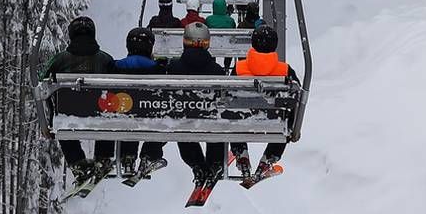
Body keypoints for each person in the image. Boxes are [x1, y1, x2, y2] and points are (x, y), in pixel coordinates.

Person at [40, 15, 116, 182]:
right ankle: (103, 157)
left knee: (62, 119)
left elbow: (42, 80)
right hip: (100, 116)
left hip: (68, 117)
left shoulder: (60, 59)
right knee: (110, 116)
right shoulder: (105, 59)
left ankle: (78, 162)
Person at [166, 23, 230, 191]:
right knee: (217, 123)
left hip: (183, 119)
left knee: (181, 125)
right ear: (207, 43)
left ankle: (196, 164)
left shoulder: (174, 68)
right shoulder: (216, 71)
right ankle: (215, 162)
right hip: (211, 121)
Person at [232, 24, 296, 182]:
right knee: (285, 123)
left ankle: (241, 153)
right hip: (274, 123)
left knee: (232, 115)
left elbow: (228, 96)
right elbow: (296, 98)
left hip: (242, 120)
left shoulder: (239, 68)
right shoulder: (285, 70)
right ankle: (268, 159)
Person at [111, 28, 168, 179]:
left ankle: (128, 156)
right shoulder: (159, 69)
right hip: (151, 114)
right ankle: (150, 154)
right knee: (163, 120)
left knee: (128, 115)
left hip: (123, 115)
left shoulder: (114, 67)